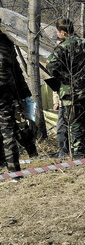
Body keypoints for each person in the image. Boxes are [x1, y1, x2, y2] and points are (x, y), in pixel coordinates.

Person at [47, 18, 85, 159]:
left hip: (70, 92)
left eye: (58, 32)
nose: (57, 34)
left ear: (63, 32)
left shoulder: (63, 47)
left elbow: (50, 65)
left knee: (75, 124)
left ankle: (79, 155)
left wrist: (63, 75)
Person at [0, 27, 34, 173]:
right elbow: (17, 70)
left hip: (7, 93)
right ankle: (13, 168)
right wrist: (24, 91)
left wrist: (23, 92)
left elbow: (16, 70)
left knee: (11, 128)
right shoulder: (6, 42)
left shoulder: (6, 42)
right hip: (8, 92)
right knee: (8, 128)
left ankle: (12, 168)